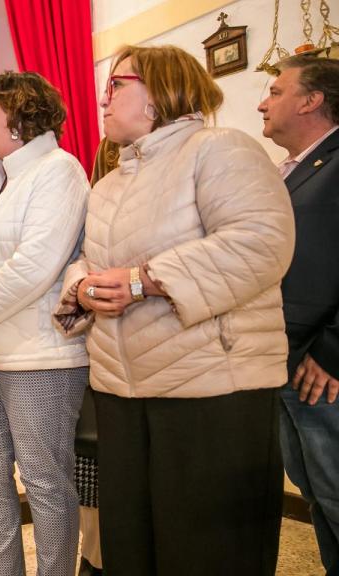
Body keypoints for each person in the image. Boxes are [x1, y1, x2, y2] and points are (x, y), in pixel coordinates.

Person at [54, 44, 295, 575]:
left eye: (116, 84)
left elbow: (262, 242)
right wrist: (83, 288)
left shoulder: (219, 149)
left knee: (207, 549)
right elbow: (86, 260)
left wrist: (145, 280)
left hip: (210, 388)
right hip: (123, 391)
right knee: (134, 544)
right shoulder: (110, 182)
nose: (103, 97)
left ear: (160, 90)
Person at [0, 71, 90, 576]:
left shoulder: (59, 170)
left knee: (46, 484)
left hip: (40, 356)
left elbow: (34, 266)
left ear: (20, 113)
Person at [259, 54, 339, 575]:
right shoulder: (295, 169)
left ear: (311, 100)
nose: (263, 102)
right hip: (287, 359)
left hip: (324, 370)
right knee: (318, 498)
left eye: (276, 90)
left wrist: (333, 352)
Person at [75, 137, 119, 576]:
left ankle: (98, 558)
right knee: (91, 470)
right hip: (91, 357)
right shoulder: (88, 209)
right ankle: (93, 558)